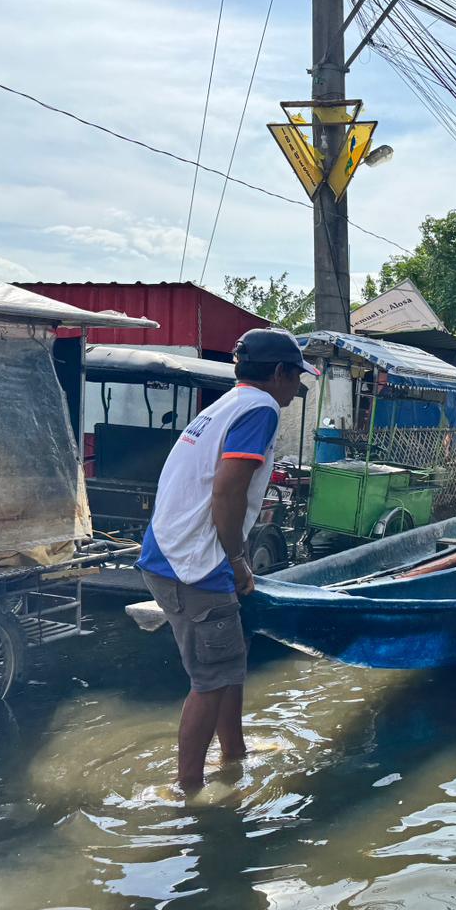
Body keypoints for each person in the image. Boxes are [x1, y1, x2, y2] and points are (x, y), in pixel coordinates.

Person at [138, 328, 313, 790]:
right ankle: (189, 791)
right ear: (279, 373)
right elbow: (228, 488)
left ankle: (234, 753)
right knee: (211, 680)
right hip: (195, 561)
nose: (298, 387)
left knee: (229, 662)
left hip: (170, 551)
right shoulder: (262, 407)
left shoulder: (227, 403)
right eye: (296, 376)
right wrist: (236, 559)